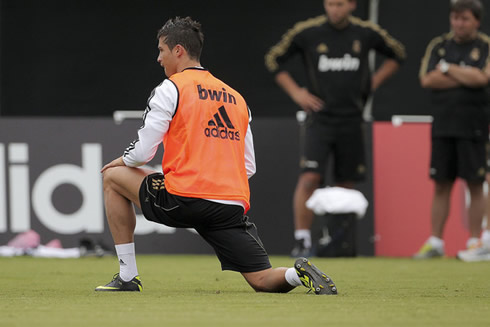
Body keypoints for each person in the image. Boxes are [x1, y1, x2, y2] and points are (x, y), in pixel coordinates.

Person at [94, 16, 337, 295]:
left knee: (112, 177)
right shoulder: (236, 98)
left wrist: (123, 161)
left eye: (161, 50)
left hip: (184, 198)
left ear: (178, 51)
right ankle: (298, 274)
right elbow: (248, 167)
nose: (158, 58)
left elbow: (143, 151)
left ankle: (127, 277)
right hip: (229, 206)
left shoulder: (171, 88)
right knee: (262, 279)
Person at [265, 0, 405, 257]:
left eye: (340, 4)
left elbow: (398, 54)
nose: (334, 9)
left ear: (352, 5)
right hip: (320, 119)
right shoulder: (308, 32)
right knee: (310, 178)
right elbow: (274, 59)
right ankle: (303, 240)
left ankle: (340, 240)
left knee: (345, 182)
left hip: (352, 117)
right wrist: (297, 93)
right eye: (330, 4)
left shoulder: (365, 32)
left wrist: (372, 83)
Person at [414, 0, 490, 259]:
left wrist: (447, 69)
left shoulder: (485, 46)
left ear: (476, 21)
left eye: (465, 19)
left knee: (476, 183)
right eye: (455, 18)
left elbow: (483, 78)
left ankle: (474, 242)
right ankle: (435, 242)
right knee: (441, 183)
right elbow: (427, 79)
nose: (459, 23)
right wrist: (466, 76)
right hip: (443, 124)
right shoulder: (439, 45)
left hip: (474, 125)